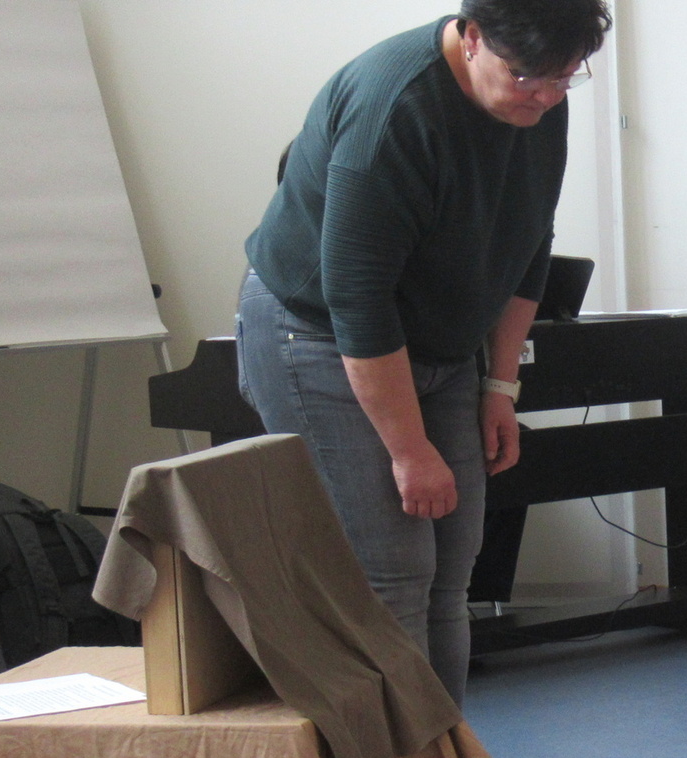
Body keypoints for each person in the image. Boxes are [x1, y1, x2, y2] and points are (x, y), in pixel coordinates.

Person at [237, 0, 610, 703]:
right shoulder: (395, 111)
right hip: (320, 335)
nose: (546, 96)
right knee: (393, 572)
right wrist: (409, 450)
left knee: (450, 573)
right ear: (472, 38)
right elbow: (357, 298)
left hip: (438, 344)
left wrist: (500, 387)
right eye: (527, 76)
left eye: (565, 78)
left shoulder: (538, 98)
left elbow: (529, 244)